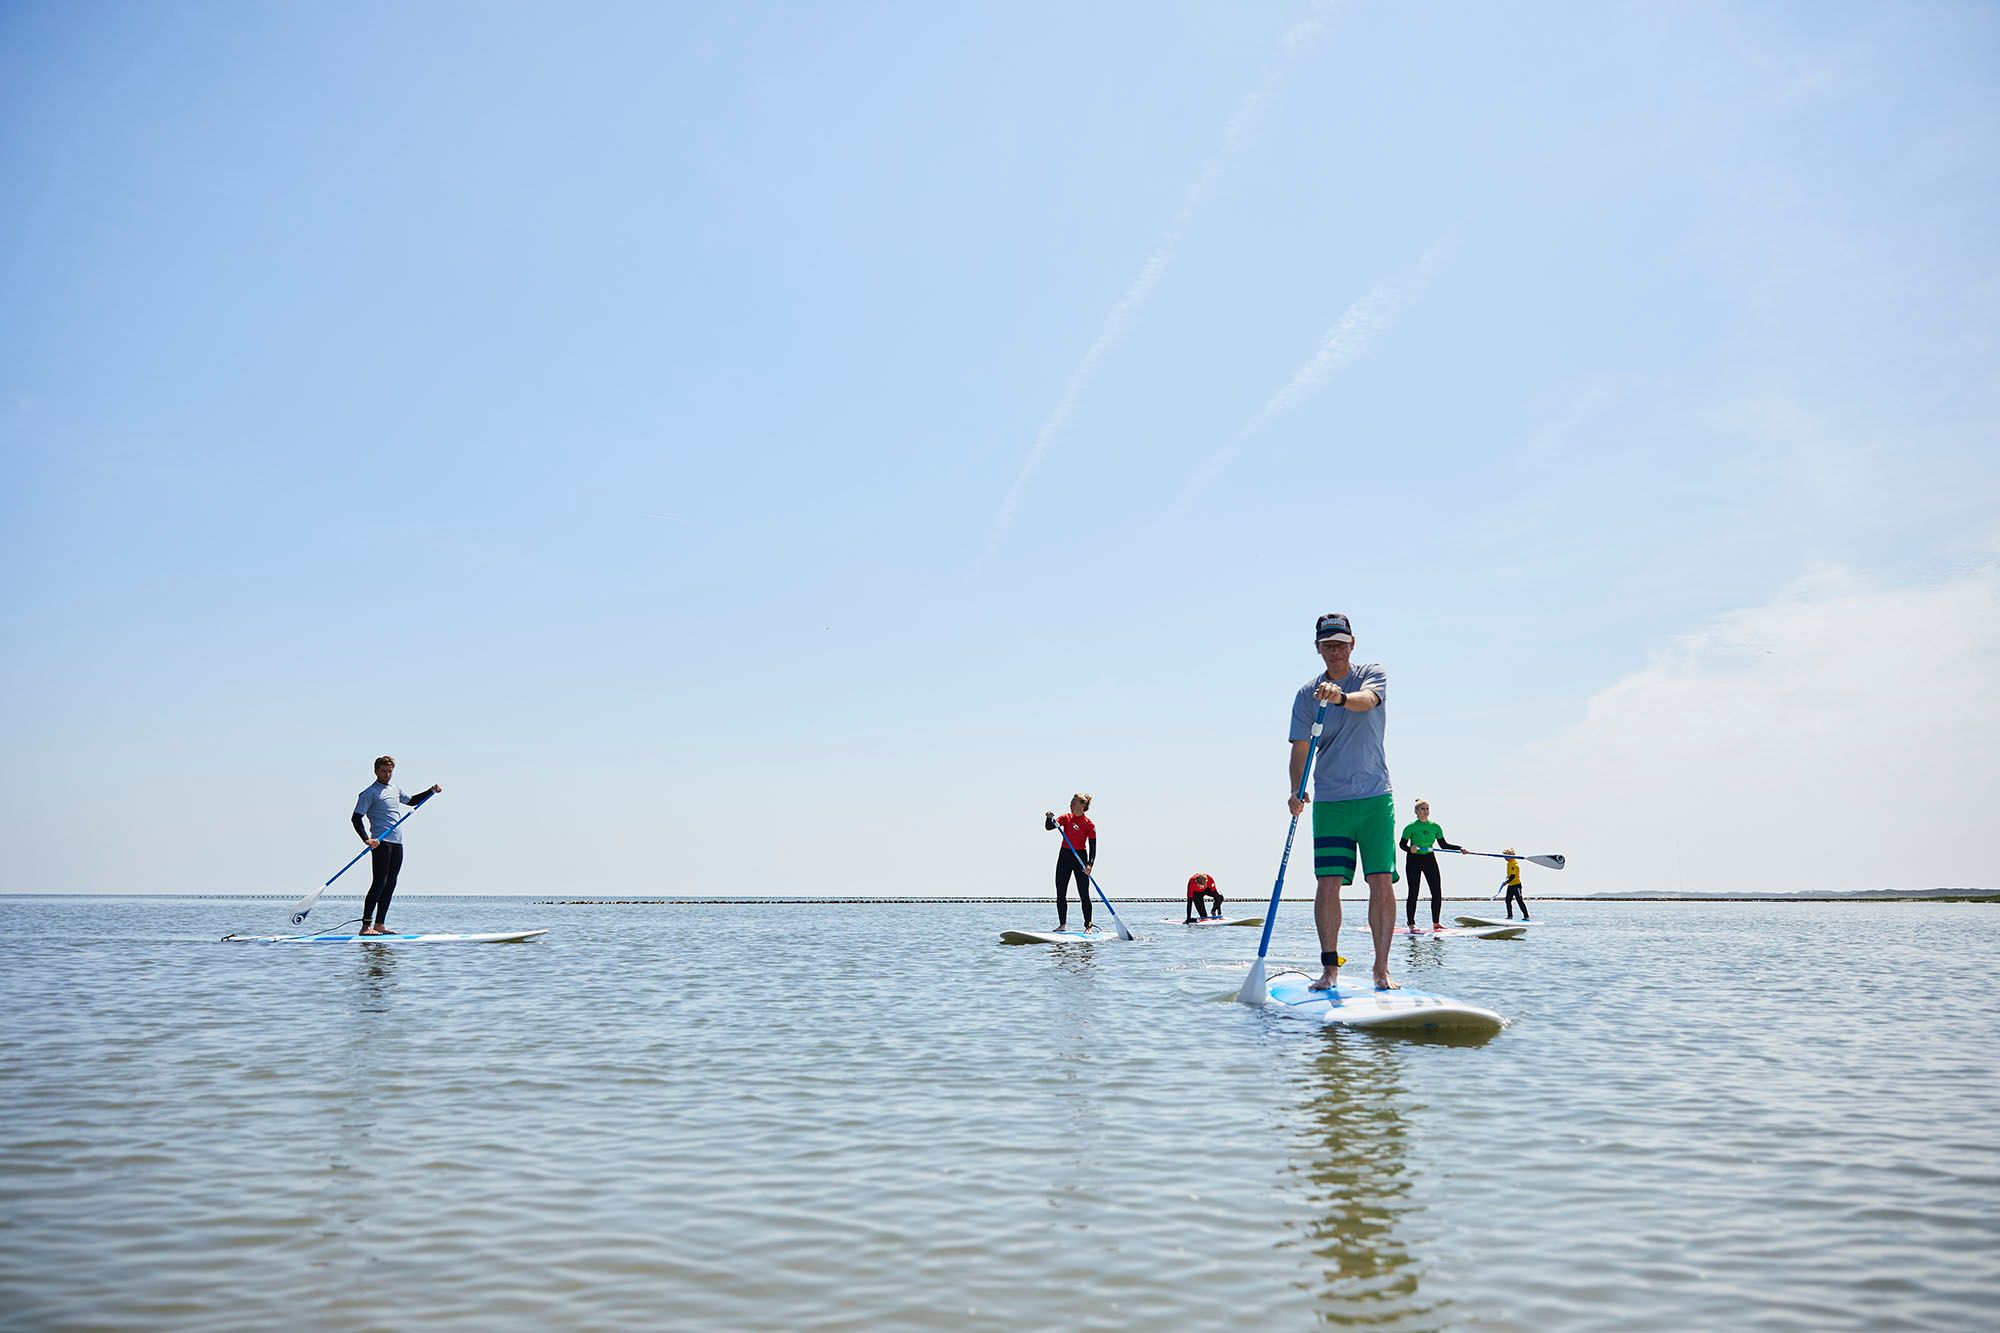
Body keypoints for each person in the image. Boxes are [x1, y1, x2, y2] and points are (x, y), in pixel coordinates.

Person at [1288, 613, 1398, 991]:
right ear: (1317, 648)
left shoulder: (1372, 673)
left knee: (1381, 880)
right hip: (1331, 801)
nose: (1334, 651)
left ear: (1353, 644)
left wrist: (1341, 697)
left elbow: (1367, 701)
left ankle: (1381, 970)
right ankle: (1329, 970)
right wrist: (1295, 789)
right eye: (1327, 645)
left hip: (1374, 797)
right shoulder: (1306, 695)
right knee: (1328, 883)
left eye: (1340, 643)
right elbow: (1301, 748)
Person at [351, 756, 442, 936]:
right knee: (379, 882)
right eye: (383, 771)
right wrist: (367, 840)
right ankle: (365, 927)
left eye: (390, 771)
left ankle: (379, 925)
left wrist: (430, 791)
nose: (387, 774)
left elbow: (413, 801)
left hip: (397, 842)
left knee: (391, 883)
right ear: (376, 771)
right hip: (381, 842)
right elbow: (356, 818)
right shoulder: (369, 793)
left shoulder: (395, 789)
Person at [1399, 800, 1463, 932]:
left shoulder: (1435, 827)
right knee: (1413, 892)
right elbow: (1402, 845)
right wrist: (1410, 848)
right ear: (1416, 812)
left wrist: (1460, 848)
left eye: (1427, 808)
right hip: (1413, 860)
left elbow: (1444, 845)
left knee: (1436, 892)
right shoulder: (1410, 827)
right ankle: (1411, 924)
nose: (1425, 811)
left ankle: (1436, 923)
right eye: (1422, 809)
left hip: (1429, 859)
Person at [1043, 794, 1097, 932]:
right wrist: (1048, 818)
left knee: (1084, 893)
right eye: (1071, 802)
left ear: (1082, 805)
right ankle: (1062, 925)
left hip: (1080, 857)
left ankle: (1088, 926)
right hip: (1065, 856)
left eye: (1073, 802)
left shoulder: (1089, 824)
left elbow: (1093, 847)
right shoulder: (1065, 818)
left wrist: (1089, 865)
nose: (1070, 804)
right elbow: (1049, 827)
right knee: (1061, 892)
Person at [1502, 848, 1529, 921]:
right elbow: (1510, 874)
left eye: (1505, 856)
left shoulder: (1514, 863)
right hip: (1510, 885)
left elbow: (1513, 876)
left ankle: (1526, 916)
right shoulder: (1509, 863)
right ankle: (1510, 916)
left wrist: (1506, 882)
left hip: (1516, 885)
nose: (1504, 858)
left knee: (1519, 901)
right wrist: (1507, 880)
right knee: (1507, 900)